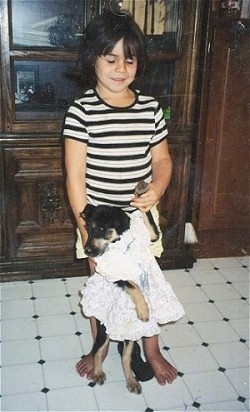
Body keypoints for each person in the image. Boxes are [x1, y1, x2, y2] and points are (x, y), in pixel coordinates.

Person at [63, 8, 183, 386]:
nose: (120, 68)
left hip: (139, 222)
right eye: (110, 58)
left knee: (144, 283)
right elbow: (75, 176)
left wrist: (157, 188)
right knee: (104, 286)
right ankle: (98, 346)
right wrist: (87, 236)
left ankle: (151, 349)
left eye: (129, 60)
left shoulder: (149, 109)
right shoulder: (81, 111)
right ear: (92, 59)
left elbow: (162, 160)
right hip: (98, 223)